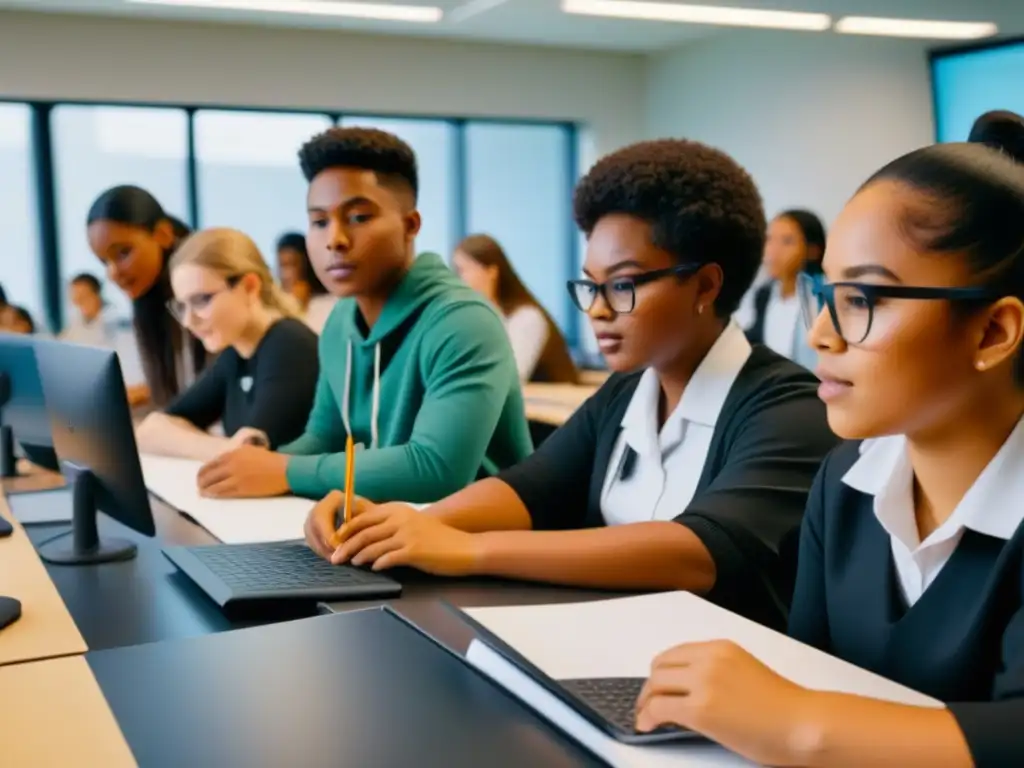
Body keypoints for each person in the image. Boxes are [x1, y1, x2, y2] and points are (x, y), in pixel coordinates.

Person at [311, 139, 839, 630]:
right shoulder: (627, 391)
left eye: (624, 285)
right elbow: (533, 488)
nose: (599, 310)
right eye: (590, 285)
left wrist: (466, 549)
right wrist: (404, 523)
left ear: (704, 284)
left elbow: (697, 551)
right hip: (608, 647)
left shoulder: (788, 408)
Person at [633, 111, 1024, 766]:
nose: (820, 334)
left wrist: (801, 725)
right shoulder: (845, 482)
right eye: (827, 292)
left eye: (865, 297)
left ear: (992, 333)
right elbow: (812, 671)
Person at [194, 127, 533, 503]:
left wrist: (282, 470)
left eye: (357, 217)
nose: (334, 239)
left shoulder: (464, 320)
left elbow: (436, 470)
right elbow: (325, 436)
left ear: (410, 225)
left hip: (477, 544)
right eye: (319, 221)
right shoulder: (341, 321)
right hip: (384, 533)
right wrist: (257, 465)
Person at [135, 228, 319, 462]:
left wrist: (223, 449)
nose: (188, 321)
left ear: (249, 287)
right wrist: (223, 448)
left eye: (201, 300)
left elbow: (250, 458)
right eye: (181, 306)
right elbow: (151, 429)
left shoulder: (289, 346)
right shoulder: (236, 353)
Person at [86, 185, 206, 407]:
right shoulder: (150, 296)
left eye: (123, 253)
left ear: (163, 235)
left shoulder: (206, 294)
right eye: (104, 262)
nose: (113, 273)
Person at [452, 233, 578, 383]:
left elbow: (508, 380)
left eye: (462, 270)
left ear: (491, 272)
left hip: (552, 404)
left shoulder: (527, 318)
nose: (455, 279)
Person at [745, 209, 826, 362]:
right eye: (769, 239)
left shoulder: (824, 297)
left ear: (813, 251)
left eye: (787, 241)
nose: (773, 251)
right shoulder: (764, 294)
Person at [276, 231, 336, 334]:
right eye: (281, 265)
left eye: (291, 265)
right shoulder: (278, 307)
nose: (285, 275)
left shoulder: (330, 304)